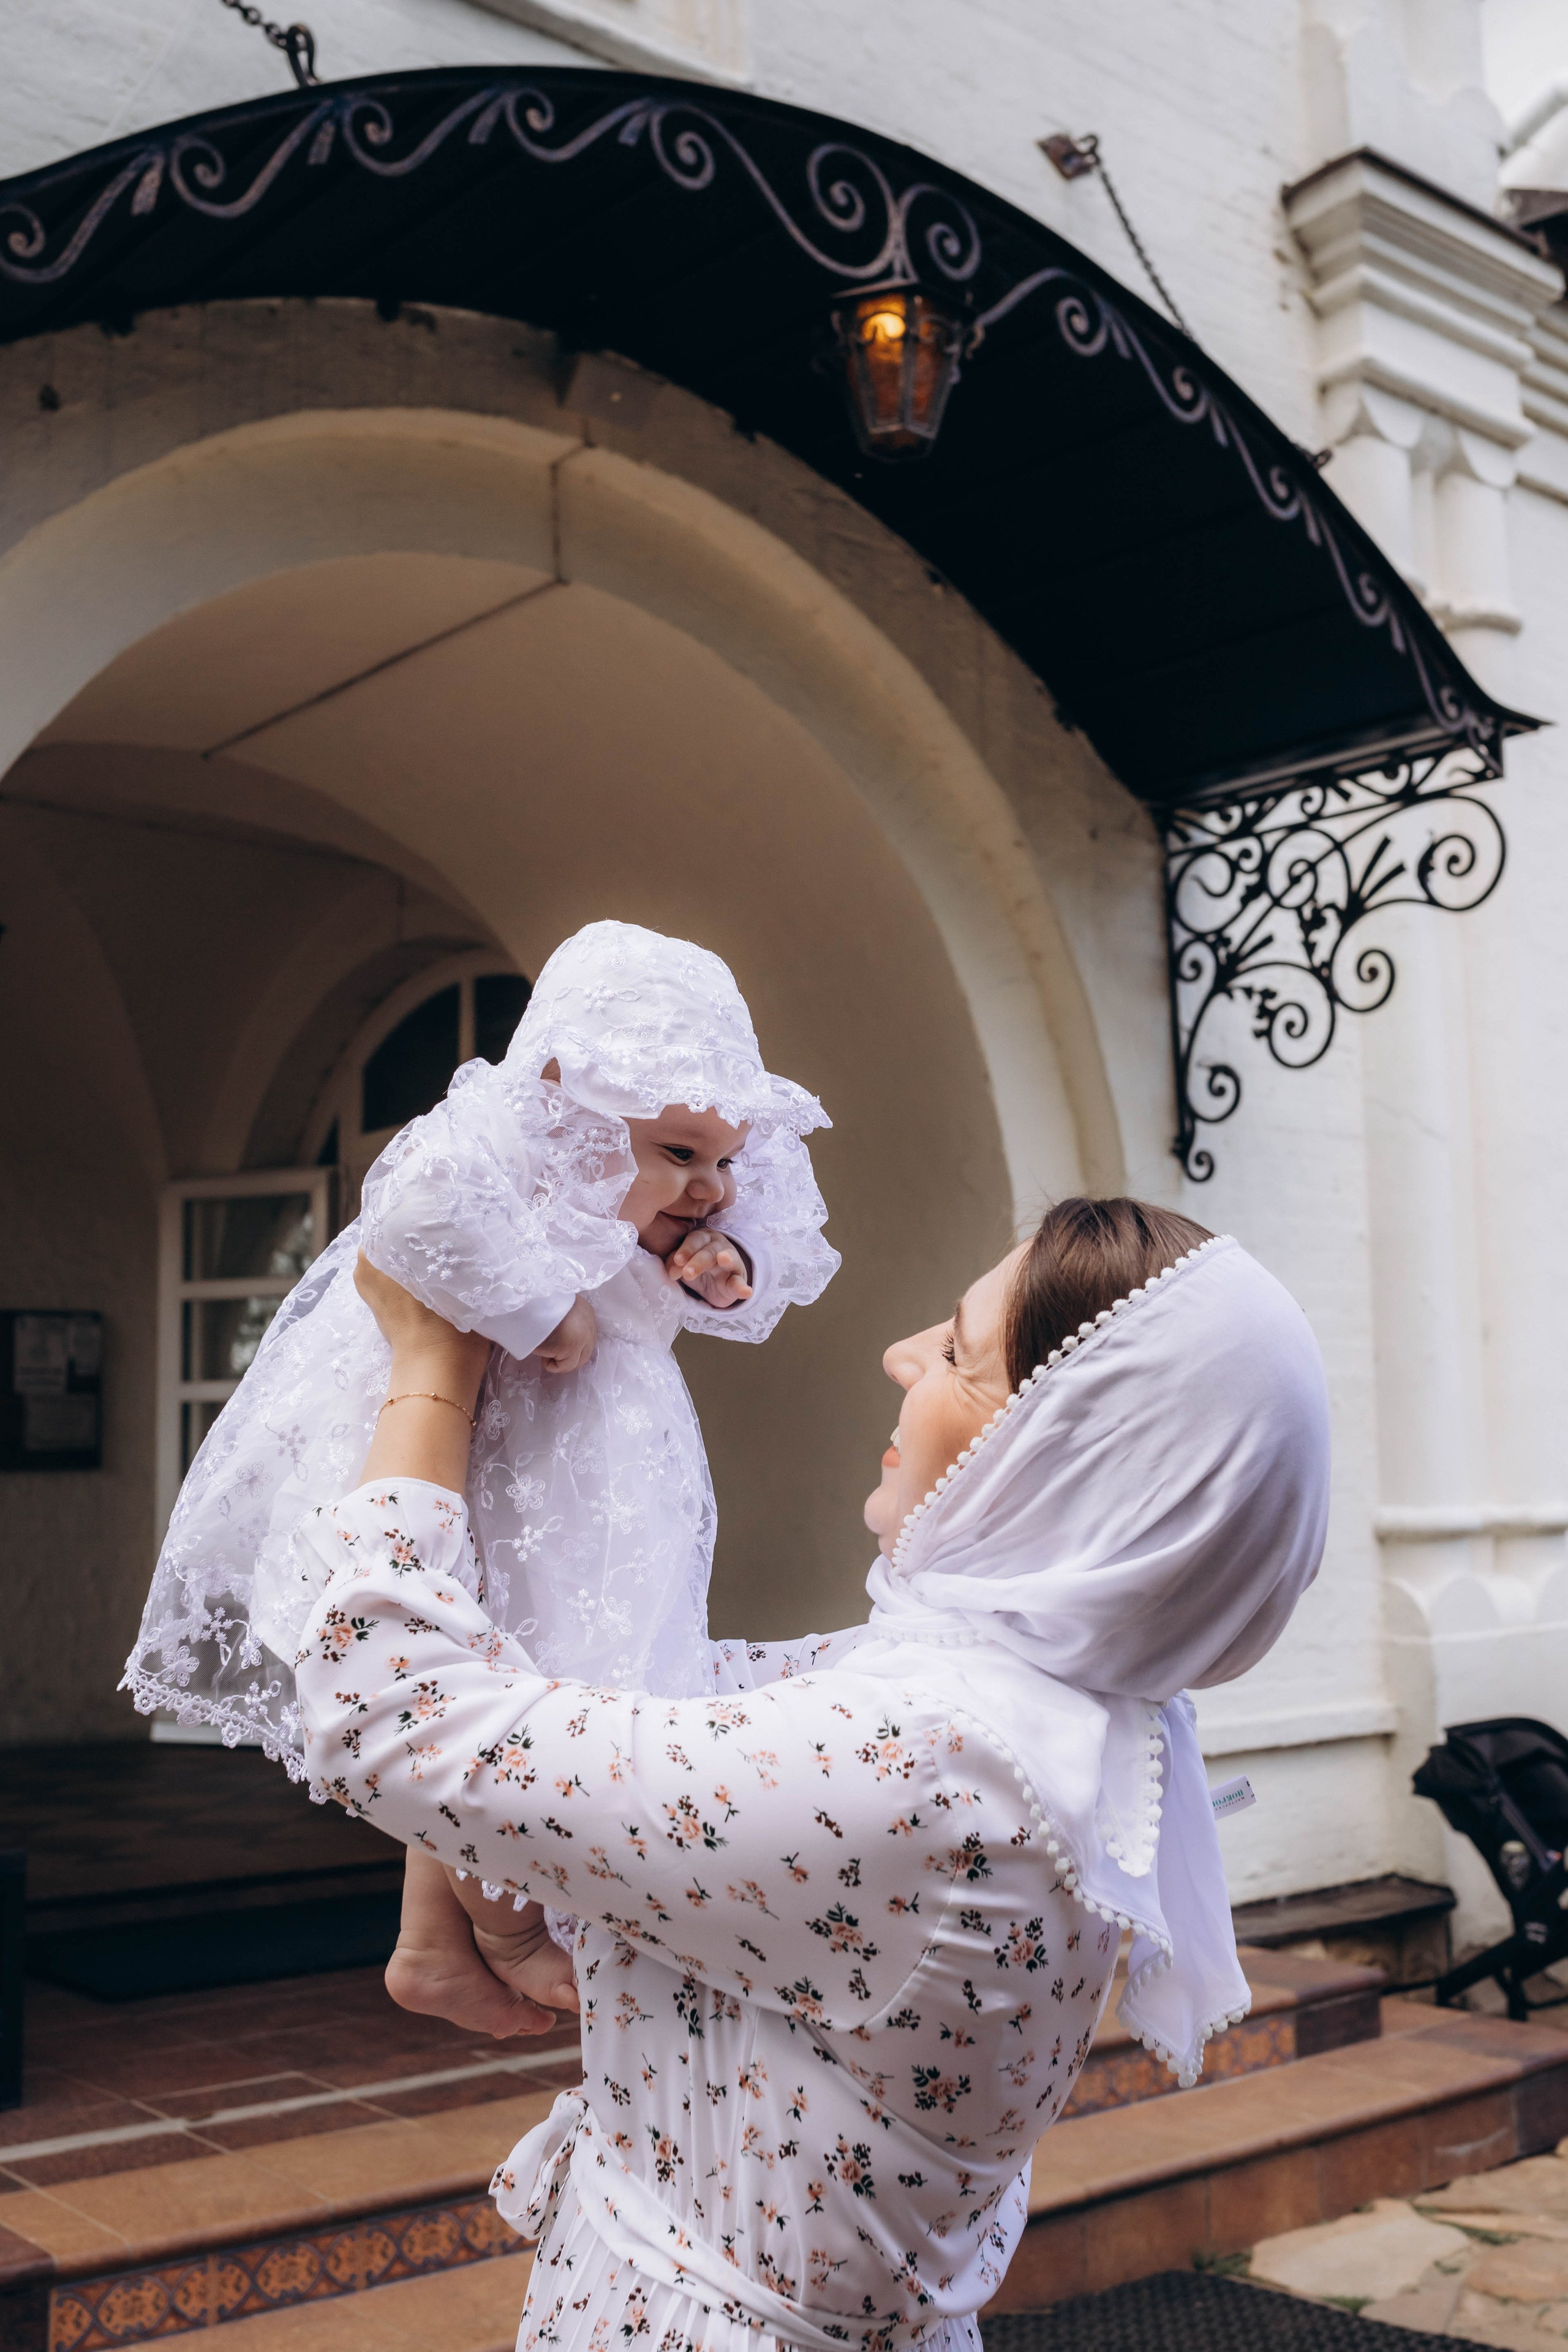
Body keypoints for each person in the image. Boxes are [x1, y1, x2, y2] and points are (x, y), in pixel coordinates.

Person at [290, 1196, 1331, 2351]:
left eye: (954, 1352)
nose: (900, 1355)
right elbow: (657, 1690)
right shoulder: (1046, 1713)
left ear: (1060, 1458)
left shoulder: (932, 1766)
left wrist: (432, 1367)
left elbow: (383, 1715)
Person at [122, 919, 839, 2030]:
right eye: (681, 1154)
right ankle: (501, 1928)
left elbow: (767, 1268)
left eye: (727, 1156)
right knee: (485, 1692)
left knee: (526, 1689)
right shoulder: (491, 1157)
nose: (711, 1185)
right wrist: (543, 1308)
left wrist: (722, 1264)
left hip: (604, 1482)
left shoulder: (679, 1214)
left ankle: (426, 1942)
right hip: (489, 1471)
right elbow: (410, 1215)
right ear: (573, 1112)